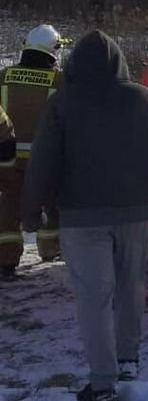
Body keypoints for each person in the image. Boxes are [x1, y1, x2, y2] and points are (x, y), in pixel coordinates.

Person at [22, 30, 148, 401]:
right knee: (131, 286)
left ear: (75, 64)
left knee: (93, 296)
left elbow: (42, 163)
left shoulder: (62, 104)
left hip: (82, 217)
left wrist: (31, 213)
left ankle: (102, 381)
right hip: (136, 213)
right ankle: (129, 357)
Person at [0, 24, 66, 277]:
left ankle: (6, 259)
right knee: (51, 205)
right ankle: (49, 249)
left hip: (9, 158)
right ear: (53, 52)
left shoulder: (4, 76)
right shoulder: (59, 82)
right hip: (45, 161)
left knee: (8, 205)